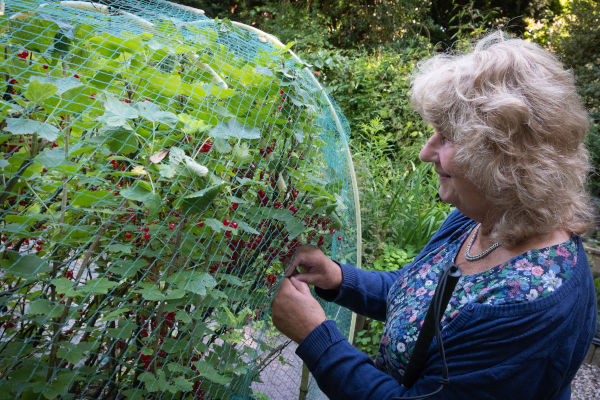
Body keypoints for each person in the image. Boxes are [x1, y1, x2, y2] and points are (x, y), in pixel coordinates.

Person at [270, 31, 598, 399]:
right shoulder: (481, 218)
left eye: (446, 137)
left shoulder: (527, 310)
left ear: (504, 161)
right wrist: (338, 278)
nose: (427, 152)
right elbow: (420, 296)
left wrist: (317, 338)